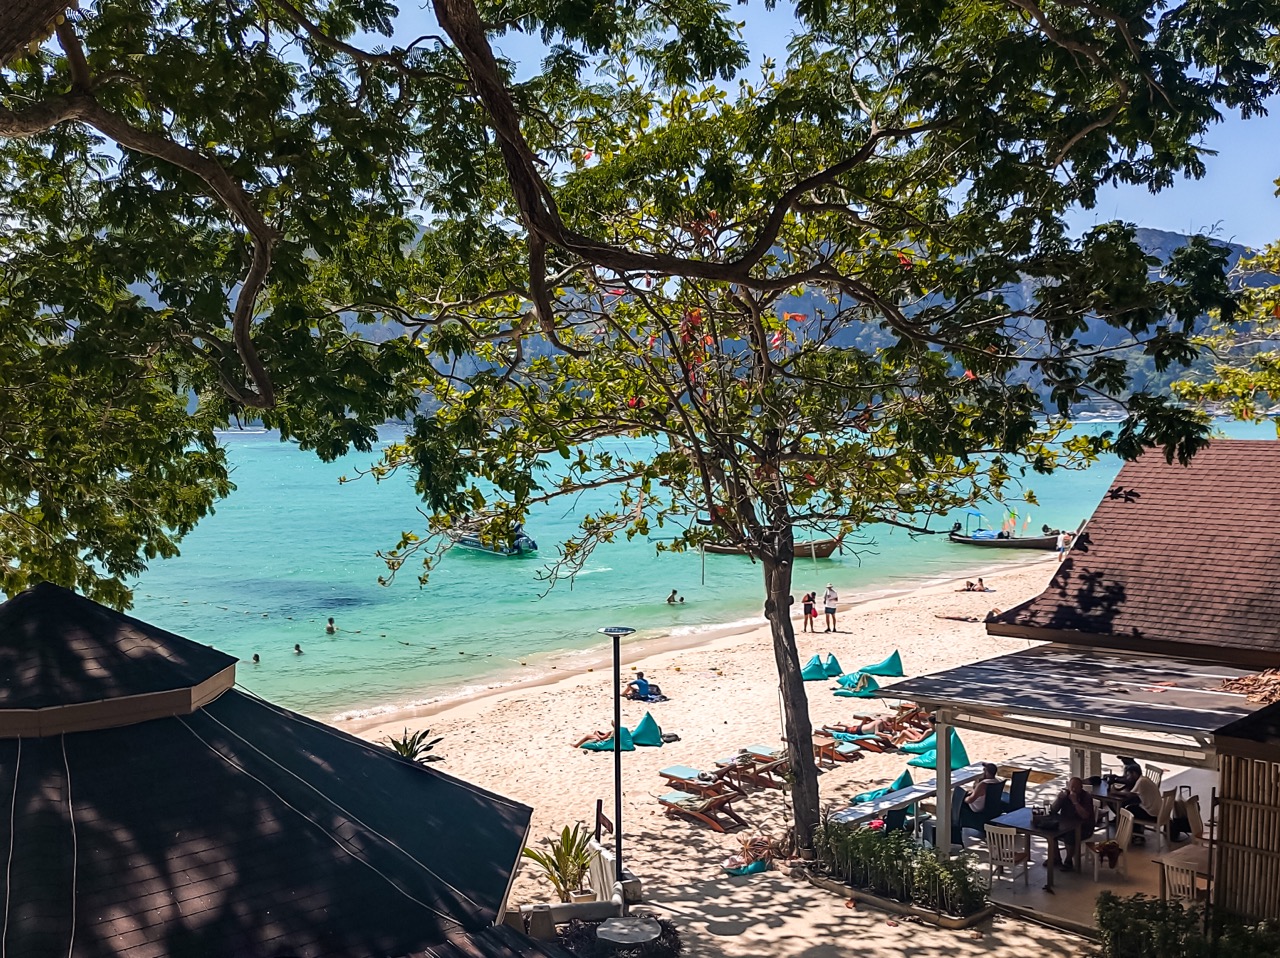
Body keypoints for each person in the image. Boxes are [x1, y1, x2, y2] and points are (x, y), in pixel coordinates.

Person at [1047, 776, 1096, 870]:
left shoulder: (1086, 797)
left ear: (1081, 787)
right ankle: (1056, 858)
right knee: (1051, 834)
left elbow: (1085, 816)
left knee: (1070, 835)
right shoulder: (1066, 795)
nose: (1073, 789)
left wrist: (1075, 802)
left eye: (1076, 787)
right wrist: (1059, 799)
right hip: (1066, 825)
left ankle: (1068, 861)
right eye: (1071, 787)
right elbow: (1053, 810)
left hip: (1084, 827)